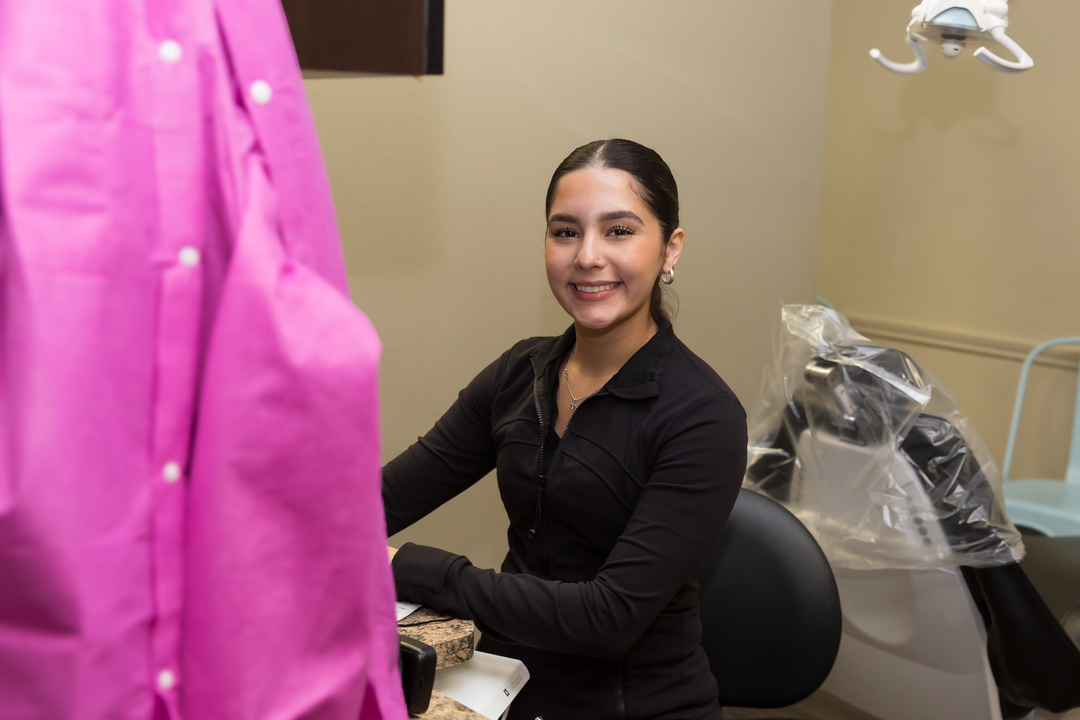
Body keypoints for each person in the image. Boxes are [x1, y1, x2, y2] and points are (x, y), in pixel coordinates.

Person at [383, 139, 747, 719]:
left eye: (619, 231)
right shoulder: (520, 372)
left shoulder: (702, 414)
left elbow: (606, 619)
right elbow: (382, 499)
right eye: (566, 232)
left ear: (670, 248)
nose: (588, 256)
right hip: (505, 687)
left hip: (635, 707)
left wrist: (404, 565)